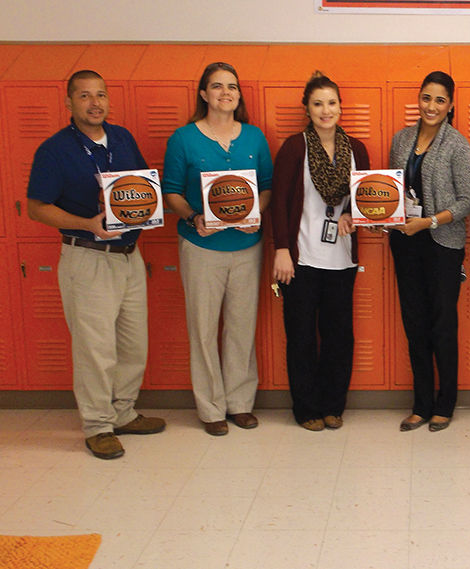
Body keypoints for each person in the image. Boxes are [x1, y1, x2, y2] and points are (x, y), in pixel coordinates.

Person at [27, 70, 166, 459]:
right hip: (87, 257)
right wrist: (87, 224)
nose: (95, 103)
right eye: (85, 96)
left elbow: (140, 185)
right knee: (95, 349)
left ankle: (122, 412)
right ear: (69, 102)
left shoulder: (121, 138)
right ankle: (97, 425)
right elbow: (38, 208)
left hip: (129, 257)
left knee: (133, 344)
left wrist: (147, 211)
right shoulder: (54, 149)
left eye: (101, 95)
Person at [163, 62, 272, 436]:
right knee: (203, 329)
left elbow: (268, 185)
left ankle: (240, 403)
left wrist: (258, 211)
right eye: (217, 86)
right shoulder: (183, 138)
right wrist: (194, 217)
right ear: (204, 93)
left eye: (232, 87)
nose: (226, 92)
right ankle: (210, 407)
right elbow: (171, 191)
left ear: (239, 95)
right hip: (201, 246)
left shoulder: (255, 137)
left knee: (242, 327)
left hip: (246, 245)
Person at [271, 72, 370, 431]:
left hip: (340, 258)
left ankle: (333, 404)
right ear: (307, 109)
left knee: (339, 335)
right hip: (302, 258)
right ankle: (306, 408)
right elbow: (279, 204)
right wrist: (282, 249)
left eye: (331, 103)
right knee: (300, 336)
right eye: (318, 104)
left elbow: (367, 199)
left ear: (340, 107)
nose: (325, 110)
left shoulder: (356, 149)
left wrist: (351, 214)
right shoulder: (295, 147)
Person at [389, 71, 470, 432]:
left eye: (440, 100)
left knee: (442, 324)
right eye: (426, 98)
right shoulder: (401, 138)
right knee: (414, 323)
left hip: (442, 243)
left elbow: (467, 201)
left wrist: (429, 222)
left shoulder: (457, 144)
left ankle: (446, 403)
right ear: (418, 99)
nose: (431, 106)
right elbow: (389, 187)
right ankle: (421, 403)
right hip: (406, 241)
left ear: (451, 105)